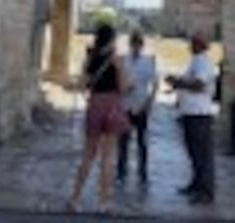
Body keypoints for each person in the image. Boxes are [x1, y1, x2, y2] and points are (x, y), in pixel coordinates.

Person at [68, 24, 129, 213]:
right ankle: (104, 201)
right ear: (112, 40)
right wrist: (119, 69)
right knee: (108, 156)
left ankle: (75, 198)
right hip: (112, 106)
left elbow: (80, 85)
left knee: (88, 154)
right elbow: (124, 87)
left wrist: (89, 94)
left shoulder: (91, 59)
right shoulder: (116, 59)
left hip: (95, 105)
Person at [166, 34, 218, 205]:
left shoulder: (202, 62)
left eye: (193, 43)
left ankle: (206, 190)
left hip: (199, 113)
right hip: (190, 112)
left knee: (202, 153)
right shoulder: (196, 61)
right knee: (194, 152)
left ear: (199, 45)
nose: (189, 46)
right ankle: (196, 184)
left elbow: (199, 85)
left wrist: (179, 83)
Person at [117, 31, 158, 185]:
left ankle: (143, 171)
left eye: (138, 44)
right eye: (133, 44)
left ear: (141, 45)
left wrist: (150, 103)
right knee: (123, 140)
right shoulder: (123, 60)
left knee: (142, 140)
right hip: (125, 104)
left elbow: (154, 83)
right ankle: (121, 170)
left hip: (141, 104)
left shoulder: (148, 61)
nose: (135, 47)